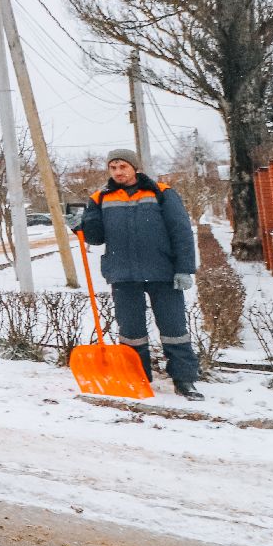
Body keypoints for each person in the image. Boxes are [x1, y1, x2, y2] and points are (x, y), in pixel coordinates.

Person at [80, 147, 203, 399]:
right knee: (131, 332)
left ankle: (184, 380)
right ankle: (137, 377)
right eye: (113, 167)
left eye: (122, 166)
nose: (118, 172)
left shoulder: (161, 192)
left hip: (163, 272)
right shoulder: (99, 197)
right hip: (123, 274)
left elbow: (180, 231)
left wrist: (184, 269)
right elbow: (95, 237)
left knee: (174, 329)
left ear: (134, 167)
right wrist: (84, 222)